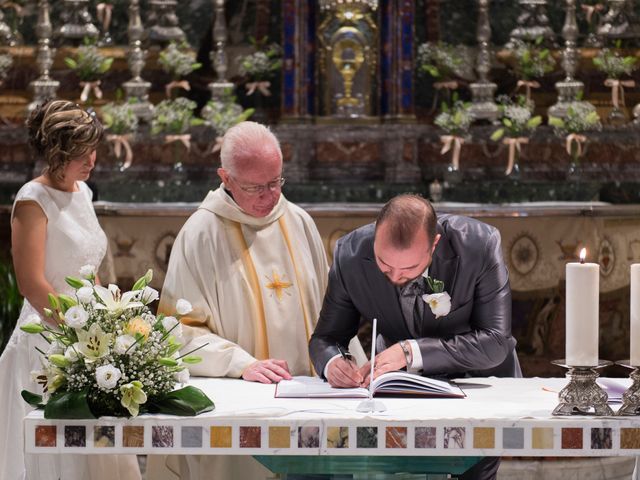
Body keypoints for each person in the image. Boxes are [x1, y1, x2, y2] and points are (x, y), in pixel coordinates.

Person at [147, 121, 331, 479]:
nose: (269, 196)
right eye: (255, 187)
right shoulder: (201, 234)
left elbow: (331, 310)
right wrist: (241, 363)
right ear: (226, 178)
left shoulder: (299, 222)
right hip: (241, 400)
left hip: (311, 403)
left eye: (276, 182)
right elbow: (177, 333)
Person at [309, 194, 521, 480]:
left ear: (434, 244)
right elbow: (325, 338)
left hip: (477, 385)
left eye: (409, 268)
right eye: (384, 264)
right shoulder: (350, 254)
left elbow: (495, 342)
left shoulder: (479, 245)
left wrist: (410, 351)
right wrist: (333, 362)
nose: (395, 276)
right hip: (399, 396)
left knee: (474, 473)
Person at [0, 100, 141, 479]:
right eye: (80, 152)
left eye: (93, 149)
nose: (91, 159)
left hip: (87, 339)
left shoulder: (84, 193)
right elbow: (32, 283)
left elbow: (88, 270)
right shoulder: (32, 200)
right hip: (46, 341)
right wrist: (78, 334)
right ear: (56, 152)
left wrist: (108, 321)